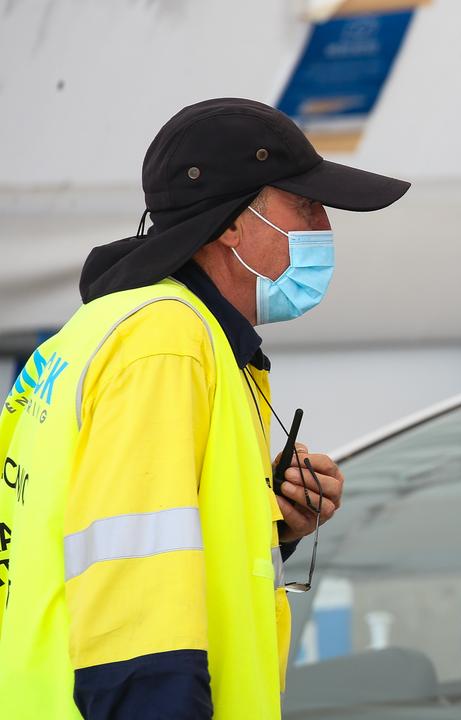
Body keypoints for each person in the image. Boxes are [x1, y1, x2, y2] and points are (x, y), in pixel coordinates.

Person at [0, 98, 409, 718]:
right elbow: (135, 594)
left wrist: (270, 525)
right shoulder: (166, 343)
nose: (323, 225)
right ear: (230, 225)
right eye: (304, 205)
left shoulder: (101, 330)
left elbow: (83, 534)